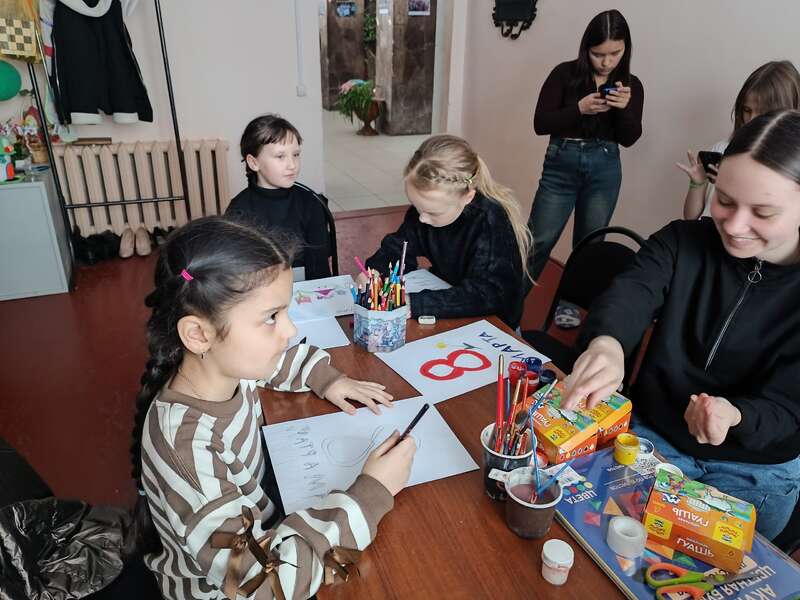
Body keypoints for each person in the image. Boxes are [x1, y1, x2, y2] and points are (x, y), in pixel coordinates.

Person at [126, 216, 416, 599]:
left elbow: (280, 363)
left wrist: (329, 380)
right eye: (271, 318)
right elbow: (264, 584)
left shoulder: (227, 366)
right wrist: (372, 493)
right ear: (198, 334)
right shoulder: (186, 448)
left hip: (260, 513)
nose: (290, 330)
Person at [563, 110, 800, 540]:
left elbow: (789, 409)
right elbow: (631, 291)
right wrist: (607, 344)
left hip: (753, 471)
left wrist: (736, 416)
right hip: (656, 436)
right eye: (724, 200)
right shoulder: (683, 240)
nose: (734, 224)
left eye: (763, 212)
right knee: (602, 541)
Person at [360, 135, 533, 330]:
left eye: (432, 213)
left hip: (494, 326)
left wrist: (414, 303)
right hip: (449, 305)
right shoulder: (426, 211)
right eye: (417, 207)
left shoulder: (489, 222)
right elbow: (397, 248)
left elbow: (487, 295)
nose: (422, 219)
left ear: (467, 197)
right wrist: (376, 271)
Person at [527, 9, 643, 284]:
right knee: (537, 241)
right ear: (585, 48)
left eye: (615, 53)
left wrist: (623, 110)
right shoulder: (564, 74)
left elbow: (629, 138)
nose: (606, 62)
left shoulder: (631, 85)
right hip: (561, 163)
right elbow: (540, 123)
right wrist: (579, 109)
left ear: (625, 48)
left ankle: (568, 301)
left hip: (605, 168)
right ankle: (507, 305)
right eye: (598, 54)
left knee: (589, 246)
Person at [679, 60, 800, 220]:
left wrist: (729, 184)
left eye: (762, 112)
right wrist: (698, 183)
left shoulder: (789, 165)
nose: (751, 119)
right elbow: (690, 218)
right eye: (747, 110)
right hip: (704, 232)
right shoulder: (721, 149)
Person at [226, 114, 333, 280]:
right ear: (254, 163)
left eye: (296, 154)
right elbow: (237, 272)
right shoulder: (239, 210)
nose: (292, 165)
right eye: (280, 156)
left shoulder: (311, 203)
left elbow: (320, 270)